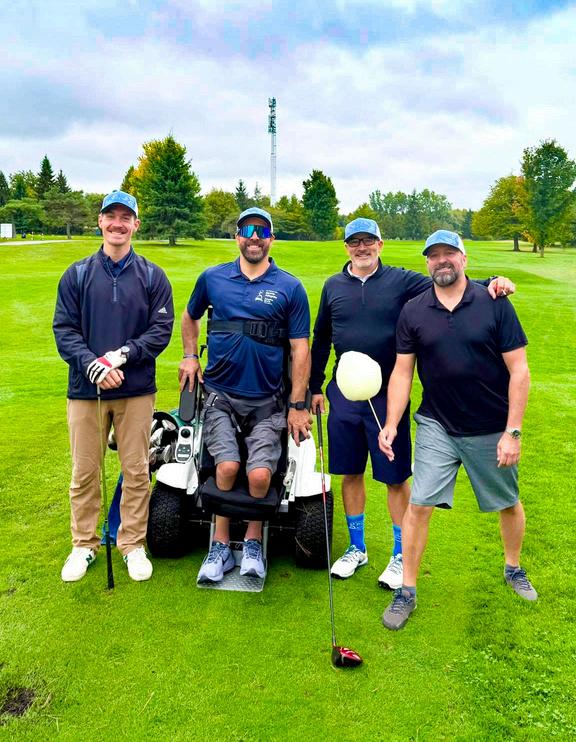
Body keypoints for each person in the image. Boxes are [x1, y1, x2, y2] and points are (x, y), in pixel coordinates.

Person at [310, 219, 515, 589]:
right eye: (354, 242)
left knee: (394, 476)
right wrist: (314, 387)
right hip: (345, 393)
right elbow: (321, 336)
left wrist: (494, 282)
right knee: (349, 472)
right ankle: (357, 548)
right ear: (346, 247)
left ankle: (399, 554)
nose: (361, 248)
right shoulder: (333, 286)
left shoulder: (401, 281)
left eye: (368, 241)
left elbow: (448, 281)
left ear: (380, 244)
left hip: (389, 394)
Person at [379, 230, 537, 631]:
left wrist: (513, 432)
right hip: (437, 424)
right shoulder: (414, 310)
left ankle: (513, 567)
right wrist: (392, 423)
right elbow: (402, 372)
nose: (442, 261)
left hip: (490, 426)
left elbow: (519, 371)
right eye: (434, 256)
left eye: (449, 253)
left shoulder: (494, 303)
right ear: (427, 263)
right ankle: (407, 590)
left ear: (464, 258)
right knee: (419, 504)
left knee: (507, 501)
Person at [179, 207, 311, 583]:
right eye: (248, 230)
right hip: (220, 396)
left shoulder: (290, 287)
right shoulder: (213, 278)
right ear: (237, 236)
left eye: (262, 231)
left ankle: (253, 542)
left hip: (267, 401)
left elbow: (300, 349)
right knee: (225, 468)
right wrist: (190, 356)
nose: (255, 237)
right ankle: (220, 545)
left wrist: (297, 405)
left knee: (259, 476)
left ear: (271, 239)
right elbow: (189, 317)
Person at [53, 190, 174, 582]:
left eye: (126, 217)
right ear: (100, 222)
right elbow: (65, 330)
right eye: (111, 216)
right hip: (86, 391)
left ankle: (132, 544)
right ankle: (83, 544)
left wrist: (121, 356)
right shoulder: (77, 274)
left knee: (136, 470)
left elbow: (160, 331)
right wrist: (95, 366)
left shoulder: (153, 276)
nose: (118, 224)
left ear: (136, 224)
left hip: (135, 390)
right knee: (85, 471)